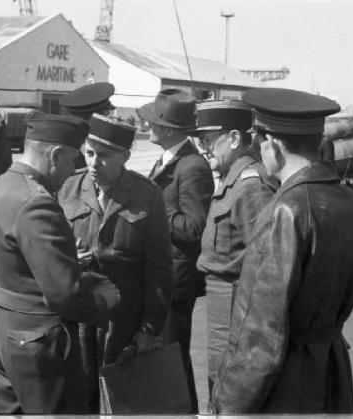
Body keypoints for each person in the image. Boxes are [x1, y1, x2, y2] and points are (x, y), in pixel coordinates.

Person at [211, 88, 353, 414]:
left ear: (272, 144)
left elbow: (258, 336)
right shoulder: (352, 203)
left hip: (286, 384)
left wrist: (226, 408)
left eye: (260, 142)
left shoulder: (284, 211)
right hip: (330, 370)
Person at [0, 113, 121, 414]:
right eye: (71, 161)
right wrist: (103, 299)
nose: (72, 172)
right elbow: (64, 295)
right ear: (55, 155)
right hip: (39, 342)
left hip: (3, 329)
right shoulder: (37, 202)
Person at [58, 114, 174, 413]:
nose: (94, 163)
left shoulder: (147, 195)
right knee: (79, 399)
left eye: (105, 156)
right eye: (89, 153)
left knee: (123, 401)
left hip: (125, 321)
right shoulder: (67, 188)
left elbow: (159, 270)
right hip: (78, 318)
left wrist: (150, 328)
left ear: (125, 157)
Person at [190, 100, 276, 399]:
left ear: (236, 139)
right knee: (218, 376)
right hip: (222, 300)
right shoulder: (233, 178)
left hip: (235, 301)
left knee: (228, 382)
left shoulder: (250, 185)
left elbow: (268, 261)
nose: (204, 148)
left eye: (209, 140)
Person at [136, 88, 214, 413]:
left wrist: (156, 209)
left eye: (152, 122)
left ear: (168, 129)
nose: (147, 126)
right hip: (164, 275)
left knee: (172, 358)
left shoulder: (192, 166)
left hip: (176, 281)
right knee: (166, 359)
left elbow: (195, 228)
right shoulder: (172, 159)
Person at [59, 82, 116, 169]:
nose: (110, 119)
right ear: (93, 118)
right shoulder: (67, 152)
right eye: (107, 114)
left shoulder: (86, 141)